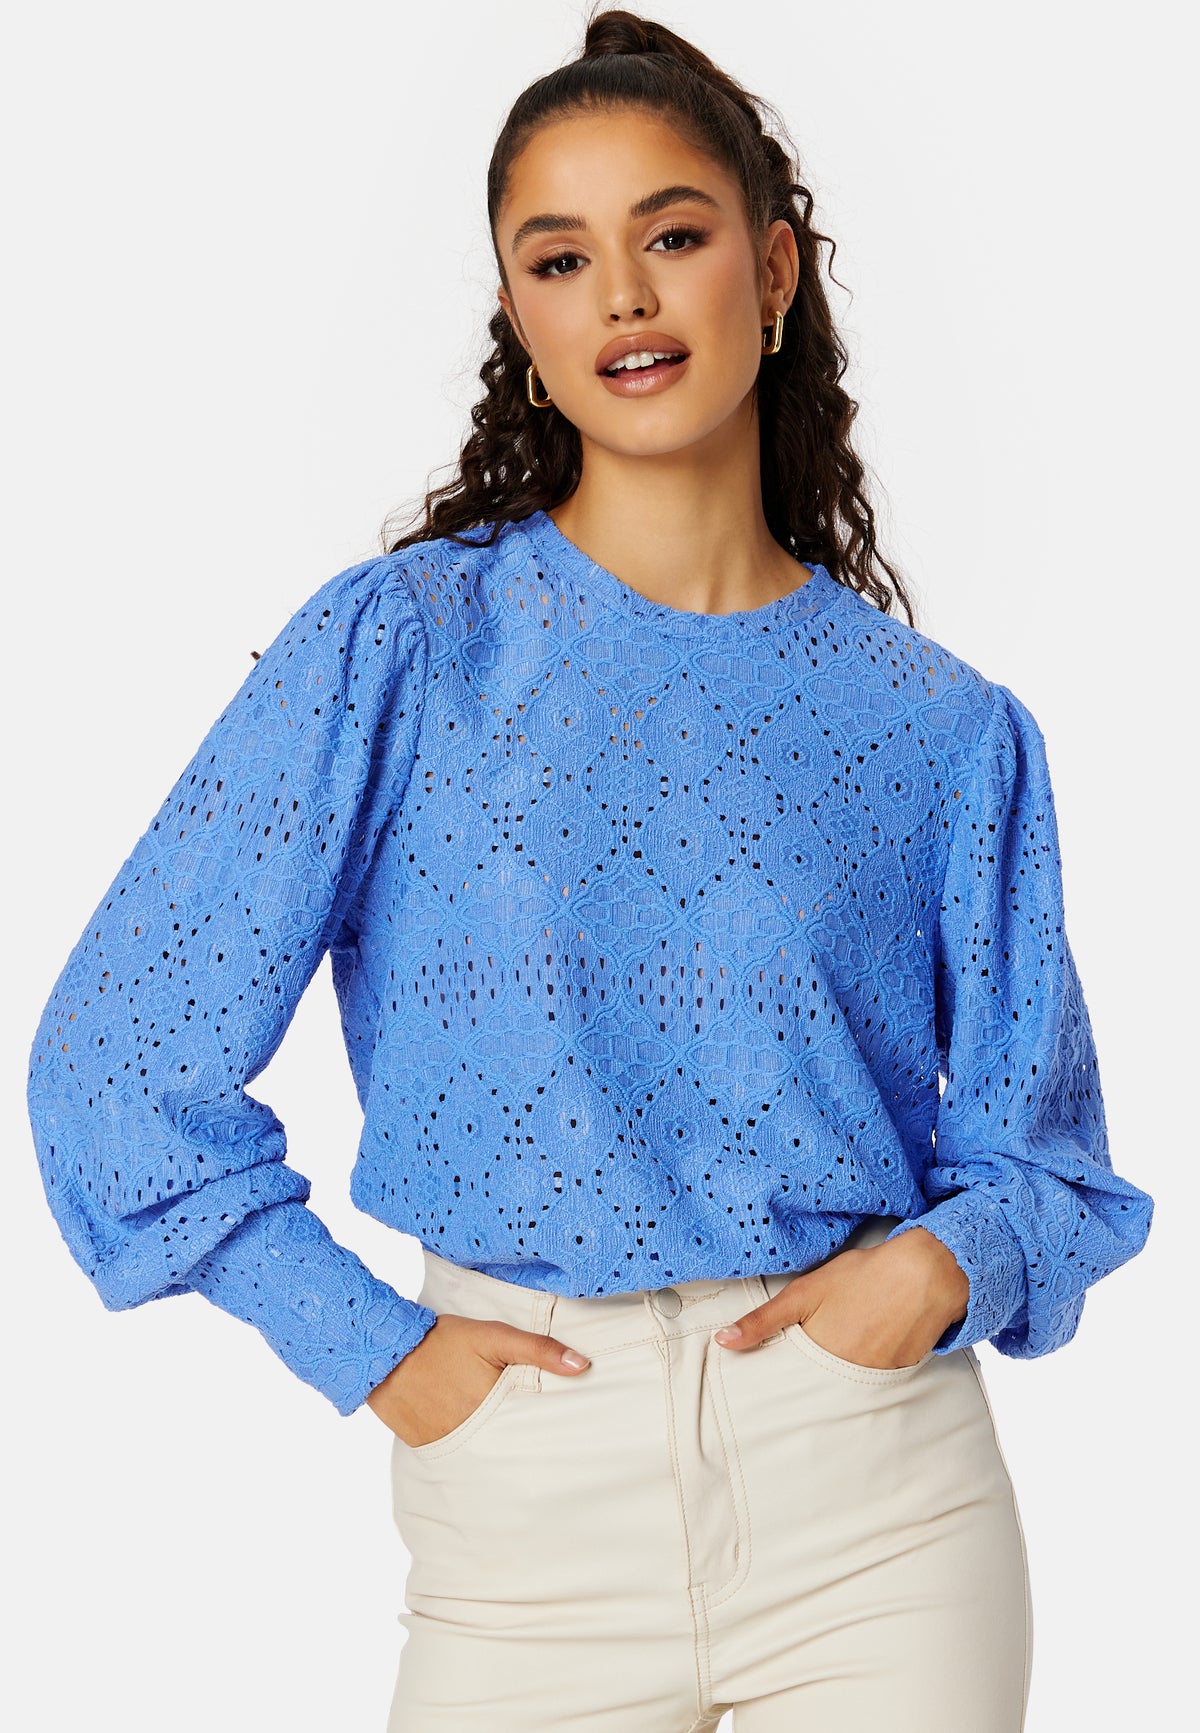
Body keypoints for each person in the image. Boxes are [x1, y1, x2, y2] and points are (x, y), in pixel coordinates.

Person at [26, 8, 1155, 1730]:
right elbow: (116, 1062)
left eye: (673, 236)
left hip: (879, 1507)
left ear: (772, 272)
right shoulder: (404, 650)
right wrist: (366, 1344)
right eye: (560, 260)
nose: (623, 296)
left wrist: (945, 1266)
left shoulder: (942, 727)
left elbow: (1047, 1153)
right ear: (521, 318)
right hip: (523, 1506)